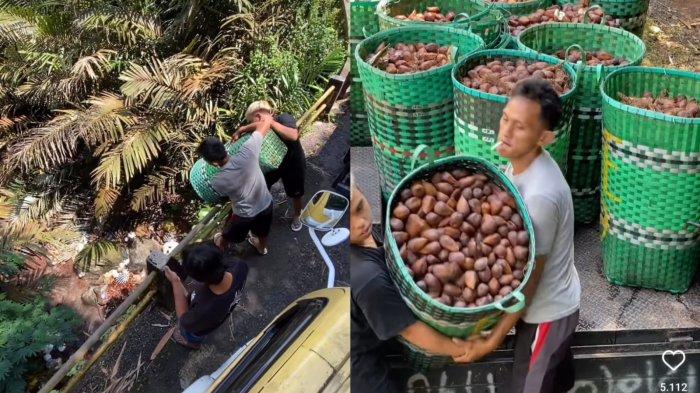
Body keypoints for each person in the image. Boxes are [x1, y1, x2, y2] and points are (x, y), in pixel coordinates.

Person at [453, 79, 581, 393]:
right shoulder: (519, 161)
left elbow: (529, 287)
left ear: (545, 137)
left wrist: (490, 342)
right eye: (505, 118)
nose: (506, 132)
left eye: (520, 127)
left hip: (547, 314)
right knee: (556, 379)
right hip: (545, 299)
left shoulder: (541, 196)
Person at [350, 182, 469, 393]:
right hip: (359, 364)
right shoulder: (368, 278)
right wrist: (463, 350)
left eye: (360, 206)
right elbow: (411, 331)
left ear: (361, 188)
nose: (360, 223)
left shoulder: (364, 242)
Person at [199, 120, 273, 255]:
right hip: (265, 204)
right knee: (263, 231)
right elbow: (264, 122)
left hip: (244, 215)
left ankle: (221, 248)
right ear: (223, 147)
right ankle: (262, 248)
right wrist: (242, 129)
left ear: (213, 163)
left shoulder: (217, 181)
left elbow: (221, 196)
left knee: (228, 235)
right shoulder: (248, 152)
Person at [232, 101, 306, 232]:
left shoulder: (283, 118)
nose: (253, 124)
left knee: (296, 192)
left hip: (293, 163)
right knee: (263, 187)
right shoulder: (260, 125)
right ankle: (260, 216)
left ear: (259, 116)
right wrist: (241, 130)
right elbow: (255, 126)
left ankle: (297, 214)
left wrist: (270, 123)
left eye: (252, 120)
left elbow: (293, 135)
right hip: (274, 165)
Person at [163, 243, 248, 349]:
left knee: (192, 334)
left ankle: (193, 343)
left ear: (198, 279)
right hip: (219, 314)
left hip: (200, 326)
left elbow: (184, 319)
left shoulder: (205, 308)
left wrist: (175, 282)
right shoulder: (238, 265)